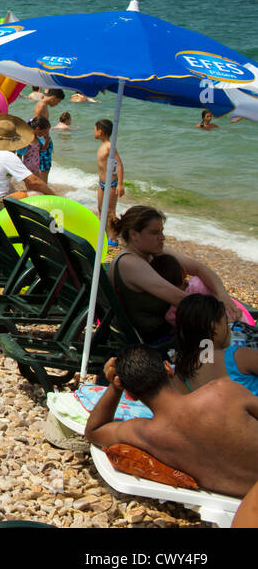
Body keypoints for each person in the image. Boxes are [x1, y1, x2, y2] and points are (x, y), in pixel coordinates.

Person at [84, 346, 258, 498]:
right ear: (168, 368)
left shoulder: (145, 434)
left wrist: (114, 387)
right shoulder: (222, 392)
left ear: (131, 395)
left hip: (242, 504)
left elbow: (94, 430)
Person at [108, 206, 246, 344]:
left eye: (162, 231)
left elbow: (199, 268)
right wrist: (223, 315)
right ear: (133, 235)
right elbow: (182, 300)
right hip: (157, 339)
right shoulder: (130, 263)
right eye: (155, 233)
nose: (162, 238)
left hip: (165, 330)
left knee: (201, 284)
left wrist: (224, 297)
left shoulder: (148, 253)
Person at [170, 295, 258, 395]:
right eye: (226, 322)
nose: (229, 329)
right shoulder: (239, 357)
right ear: (214, 327)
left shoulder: (181, 374)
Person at [94, 118, 124, 243]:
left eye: (95, 130)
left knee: (110, 211)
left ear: (100, 132)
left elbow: (120, 165)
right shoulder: (102, 146)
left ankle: (113, 238)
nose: (94, 132)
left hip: (111, 184)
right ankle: (103, 234)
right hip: (102, 183)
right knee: (101, 208)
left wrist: (120, 185)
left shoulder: (109, 146)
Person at [17, 116, 54, 183]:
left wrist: (47, 142)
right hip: (28, 167)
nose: (45, 134)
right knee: (31, 185)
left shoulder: (38, 139)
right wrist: (20, 169)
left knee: (38, 183)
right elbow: (19, 154)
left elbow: (41, 150)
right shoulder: (27, 140)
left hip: (36, 167)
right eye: (44, 132)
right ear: (37, 129)